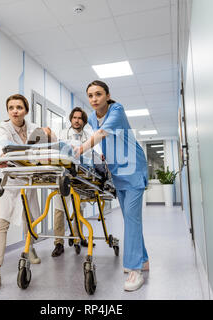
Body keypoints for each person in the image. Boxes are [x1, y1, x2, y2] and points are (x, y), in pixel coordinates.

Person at [74, 80, 149, 292]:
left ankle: (135, 270)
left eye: (98, 94)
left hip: (132, 170)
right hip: (118, 173)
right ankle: (142, 259)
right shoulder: (93, 121)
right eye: (90, 95)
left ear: (107, 95)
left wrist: (80, 148)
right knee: (130, 218)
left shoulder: (117, 109)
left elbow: (101, 135)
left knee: (132, 219)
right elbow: (102, 143)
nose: (94, 99)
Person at [0, 94, 46, 296]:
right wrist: (3, 156)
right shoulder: (3, 128)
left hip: (28, 180)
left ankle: (30, 248)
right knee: (0, 224)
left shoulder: (35, 128)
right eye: (11, 107)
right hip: (9, 180)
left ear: (26, 110)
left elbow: (41, 151)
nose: (15, 110)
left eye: (19, 107)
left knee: (29, 220)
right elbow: (3, 144)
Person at [51, 107, 94, 257]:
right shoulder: (62, 134)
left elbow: (89, 155)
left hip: (80, 176)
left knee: (79, 209)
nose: (77, 120)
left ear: (84, 121)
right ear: (71, 119)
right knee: (59, 210)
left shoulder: (88, 136)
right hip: (62, 175)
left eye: (80, 118)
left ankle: (79, 237)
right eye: (74, 117)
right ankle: (59, 243)